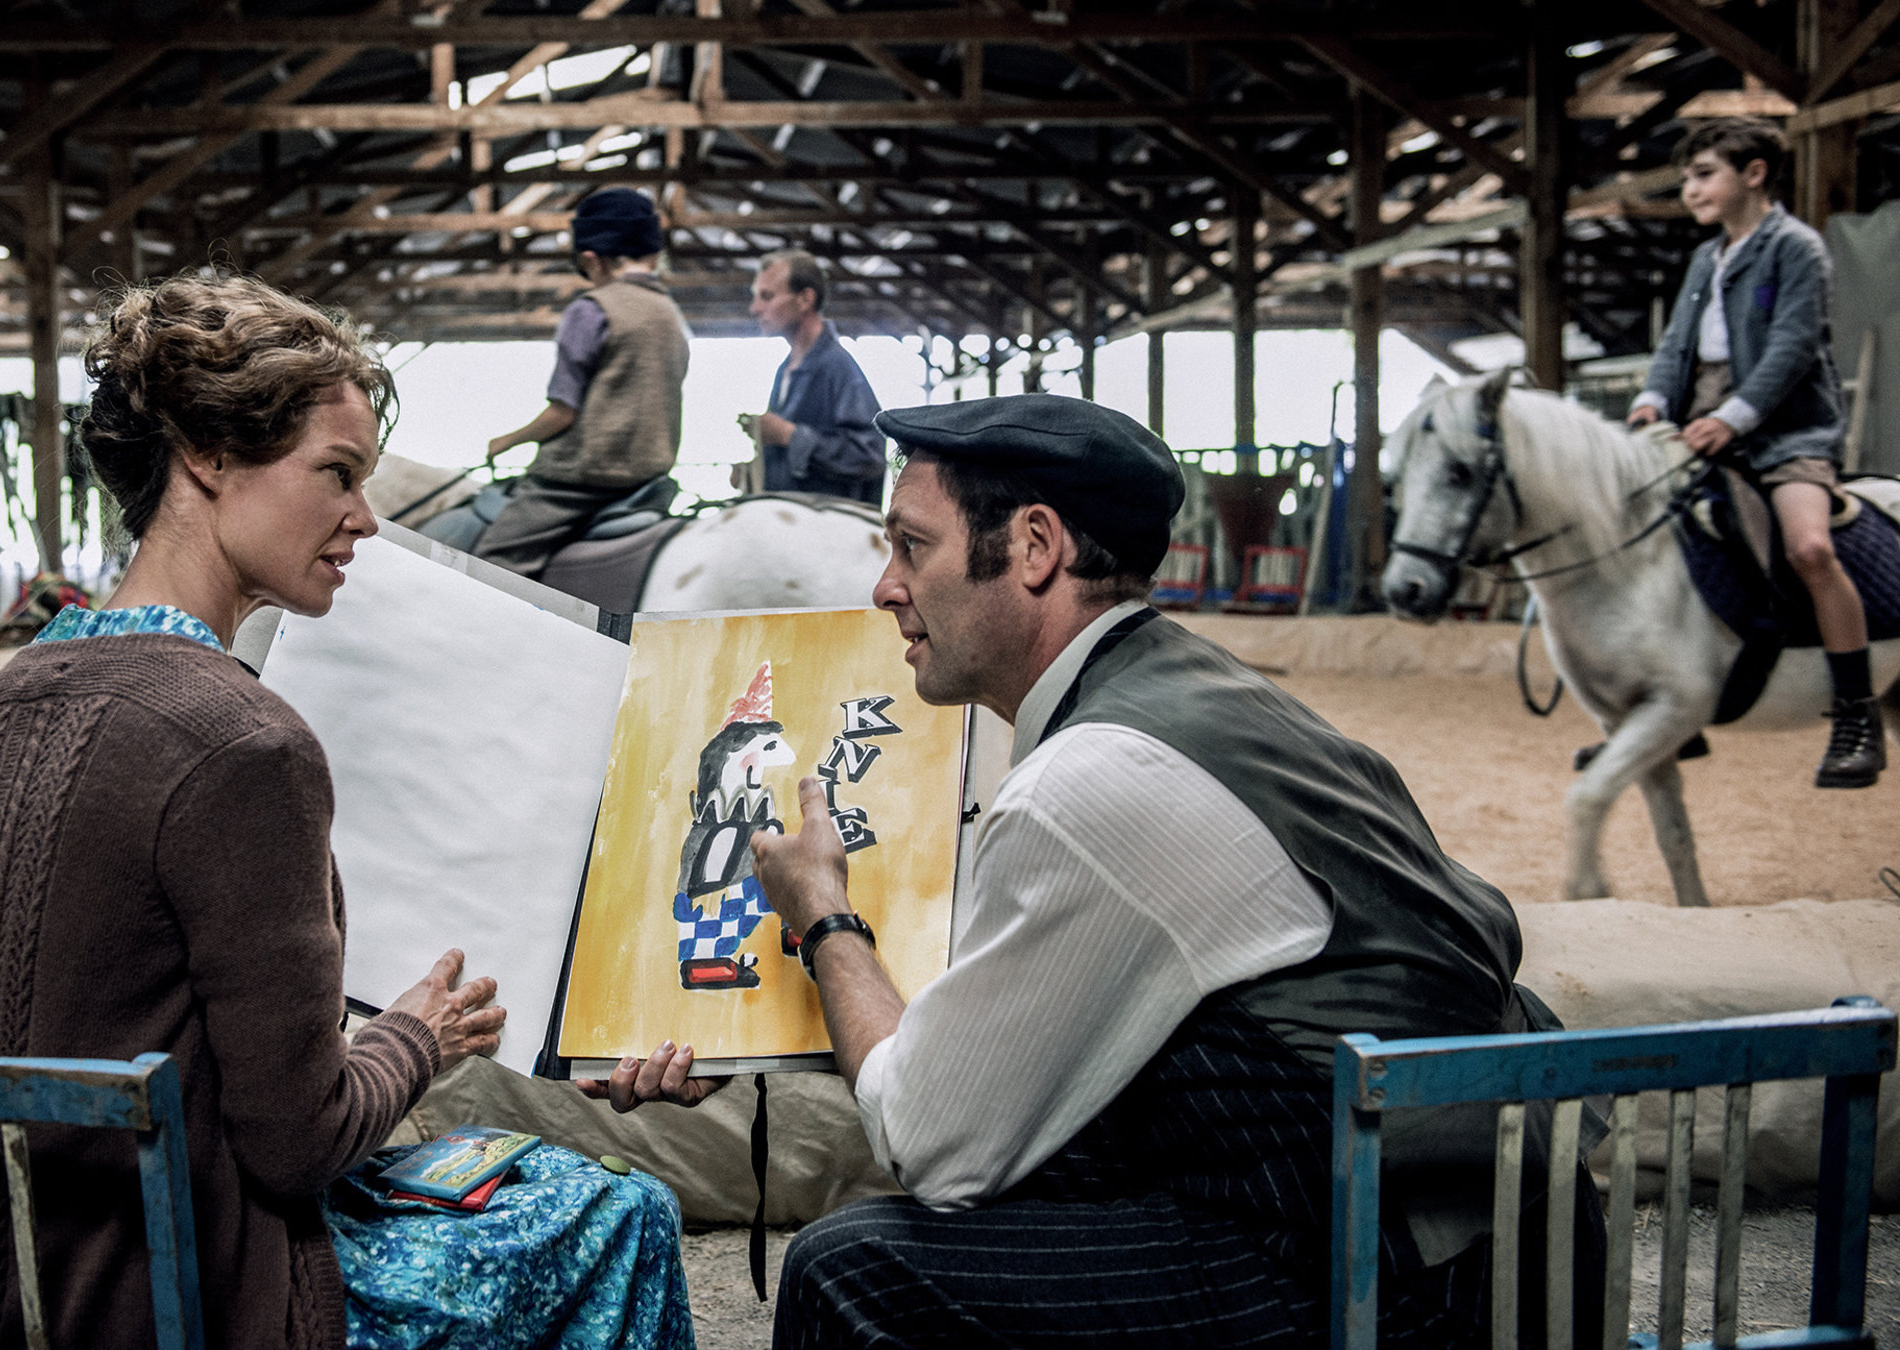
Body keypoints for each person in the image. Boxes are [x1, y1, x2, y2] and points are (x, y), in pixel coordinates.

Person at [589, 394, 1599, 1347]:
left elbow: (930, 1140)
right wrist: (750, 1030)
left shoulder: (1092, 779)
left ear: (1035, 547)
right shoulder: (1202, 692)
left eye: (912, 546)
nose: (886, 587)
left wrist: (821, 917)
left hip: (1407, 1288)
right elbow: (1007, 1046)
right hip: (1489, 1230)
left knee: (853, 1271)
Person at [0, 273, 690, 1350]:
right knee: (620, 1209)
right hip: (184, 1302)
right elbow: (298, 1145)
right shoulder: (243, 742)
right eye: (337, 473)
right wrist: (418, 1037)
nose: (365, 518)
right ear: (208, 454)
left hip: (4, 1295)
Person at [1627, 117, 1882, 788]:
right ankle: (1669, 707)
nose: (1690, 189)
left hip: (1786, 431)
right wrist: (1652, 399)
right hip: (1702, 423)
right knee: (1636, 536)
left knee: (1810, 549)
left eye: (1703, 175)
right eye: (1686, 178)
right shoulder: (1705, 259)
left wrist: (1732, 419)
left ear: (1754, 173)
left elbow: (1792, 348)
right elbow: (1677, 345)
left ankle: (1857, 714)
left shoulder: (1797, 248)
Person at [478, 188, 691, 575]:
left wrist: (507, 441)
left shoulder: (590, 310)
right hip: (649, 478)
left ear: (591, 259)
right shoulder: (671, 315)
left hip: (579, 483)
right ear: (653, 253)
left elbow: (563, 412)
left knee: (490, 565)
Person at [736, 249, 886, 504]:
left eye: (767, 296)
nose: (755, 308)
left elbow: (869, 456)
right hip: (794, 521)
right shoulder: (786, 370)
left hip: (828, 525)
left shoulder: (836, 367)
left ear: (805, 299)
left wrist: (788, 435)